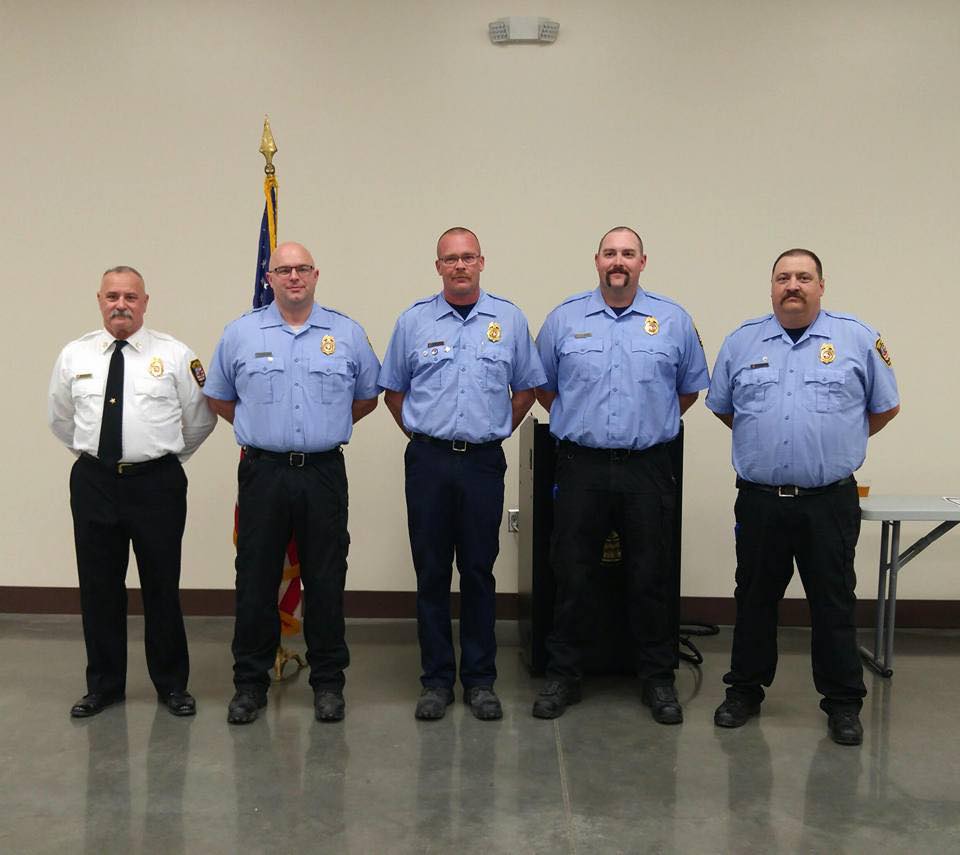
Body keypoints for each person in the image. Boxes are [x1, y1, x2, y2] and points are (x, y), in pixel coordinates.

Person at [706, 248, 900, 746]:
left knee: (832, 602)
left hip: (827, 500)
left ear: (821, 285)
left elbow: (884, 407)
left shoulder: (856, 338)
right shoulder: (742, 341)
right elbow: (726, 408)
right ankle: (744, 692)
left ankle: (842, 704)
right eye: (783, 277)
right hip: (760, 499)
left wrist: (837, 445)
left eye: (803, 277)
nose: (793, 285)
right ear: (771, 287)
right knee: (753, 598)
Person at [532, 226, 709, 723]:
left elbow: (689, 391)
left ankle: (657, 679)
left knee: (650, 576)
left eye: (628, 254)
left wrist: (646, 423)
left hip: (647, 467)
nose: (619, 261)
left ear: (643, 262)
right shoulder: (564, 319)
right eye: (610, 253)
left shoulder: (672, 320)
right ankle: (563, 675)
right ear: (596, 261)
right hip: (581, 464)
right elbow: (544, 387)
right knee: (571, 573)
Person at [204, 241, 380, 725]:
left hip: (323, 471)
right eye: (284, 269)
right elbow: (219, 396)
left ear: (316, 274)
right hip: (264, 472)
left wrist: (324, 428)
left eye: (303, 268)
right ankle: (249, 684)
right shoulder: (241, 332)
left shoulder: (345, 332)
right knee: (255, 580)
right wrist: (260, 429)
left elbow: (366, 397)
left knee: (326, 579)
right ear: (270, 277)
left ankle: (328, 683)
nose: (294, 277)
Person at [379, 227, 545, 721]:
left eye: (467, 257)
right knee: (431, 573)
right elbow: (393, 391)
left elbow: (527, 389)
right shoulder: (413, 321)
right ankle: (434, 681)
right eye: (450, 259)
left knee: (478, 571)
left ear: (481, 262)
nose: (459, 266)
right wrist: (423, 435)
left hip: (481, 462)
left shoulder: (509, 320)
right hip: (428, 462)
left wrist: (491, 429)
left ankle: (479, 680)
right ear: (438, 267)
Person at [48, 265, 216, 718]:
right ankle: (103, 686)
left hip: (156, 485)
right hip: (94, 482)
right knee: (98, 588)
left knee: (161, 586)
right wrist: (102, 461)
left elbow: (200, 420)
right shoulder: (75, 356)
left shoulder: (176, 356)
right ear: (99, 300)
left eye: (130, 297)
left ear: (145, 302)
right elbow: (61, 420)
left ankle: (172, 686)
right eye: (112, 296)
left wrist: (161, 461)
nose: (120, 304)